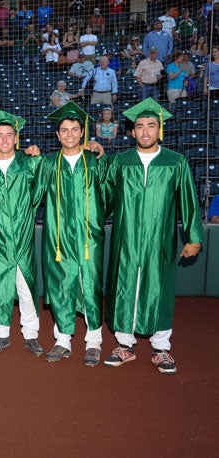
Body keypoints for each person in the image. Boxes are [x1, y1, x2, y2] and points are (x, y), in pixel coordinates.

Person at [103, 98, 204, 374]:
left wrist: (194, 237)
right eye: (139, 126)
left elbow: (188, 201)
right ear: (132, 131)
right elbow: (105, 200)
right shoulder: (121, 162)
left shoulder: (175, 162)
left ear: (160, 129)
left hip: (160, 241)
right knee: (125, 286)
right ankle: (125, 345)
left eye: (151, 125)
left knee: (159, 288)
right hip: (126, 239)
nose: (145, 131)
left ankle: (161, 348)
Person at [32, 102, 107, 367]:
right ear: (57, 134)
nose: (70, 134)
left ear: (83, 132)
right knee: (61, 285)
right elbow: (32, 196)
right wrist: (29, 160)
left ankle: (94, 341)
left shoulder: (96, 161)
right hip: (59, 239)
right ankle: (62, 340)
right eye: (64, 130)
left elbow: (108, 196)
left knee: (90, 286)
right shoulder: (49, 163)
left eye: (75, 129)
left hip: (89, 238)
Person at [0, 110, 44, 358]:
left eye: (9, 135)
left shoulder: (29, 165)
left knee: (26, 289)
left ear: (16, 139)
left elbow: (39, 193)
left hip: (23, 238)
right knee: (0, 287)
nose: (5, 139)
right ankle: (2, 335)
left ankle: (31, 335)